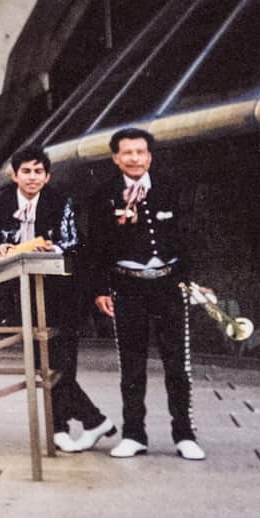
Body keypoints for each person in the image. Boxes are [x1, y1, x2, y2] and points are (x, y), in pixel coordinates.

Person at [0, 146, 115, 453]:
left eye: (39, 171)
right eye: (26, 171)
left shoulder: (60, 202)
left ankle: (64, 428)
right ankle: (92, 422)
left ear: (47, 175)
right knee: (42, 363)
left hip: (62, 292)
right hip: (21, 292)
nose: (32, 177)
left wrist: (48, 249)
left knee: (62, 363)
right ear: (14, 175)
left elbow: (71, 242)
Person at [90, 127, 205, 460]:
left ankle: (184, 434)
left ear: (150, 155)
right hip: (127, 286)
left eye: (140, 152)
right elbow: (95, 248)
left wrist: (192, 280)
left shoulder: (172, 188)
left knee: (177, 365)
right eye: (127, 153)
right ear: (116, 158)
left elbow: (189, 238)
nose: (135, 158)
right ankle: (134, 434)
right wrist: (100, 289)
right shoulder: (104, 196)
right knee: (132, 366)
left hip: (169, 285)